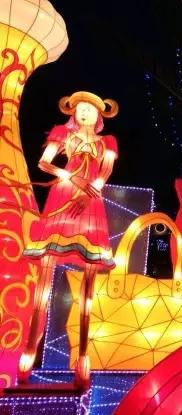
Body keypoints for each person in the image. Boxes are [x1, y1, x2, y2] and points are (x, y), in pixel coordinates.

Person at [17, 92, 119, 388]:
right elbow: (44, 163)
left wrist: (90, 193)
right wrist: (71, 177)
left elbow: (106, 170)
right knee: (45, 274)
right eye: (80, 108)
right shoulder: (63, 133)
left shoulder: (107, 142)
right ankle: (30, 350)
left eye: (90, 109)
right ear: (73, 112)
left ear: (99, 115)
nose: (84, 112)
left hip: (90, 204)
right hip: (62, 196)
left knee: (89, 279)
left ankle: (83, 356)